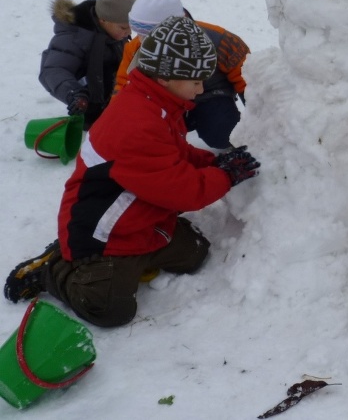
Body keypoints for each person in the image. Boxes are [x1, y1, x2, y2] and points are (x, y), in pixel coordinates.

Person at [5, 16, 261, 327]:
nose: (201, 89)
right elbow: (183, 190)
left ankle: (134, 262)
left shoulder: (157, 103)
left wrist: (212, 164)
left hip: (141, 220)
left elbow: (175, 153)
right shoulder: (135, 123)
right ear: (166, 77)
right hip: (102, 236)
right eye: (195, 81)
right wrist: (227, 176)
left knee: (194, 254)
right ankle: (52, 270)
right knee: (110, 309)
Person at [116, 0, 250, 150]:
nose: (141, 41)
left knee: (223, 133)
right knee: (152, 138)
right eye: (139, 34)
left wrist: (258, 117)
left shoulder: (216, 39)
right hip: (163, 100)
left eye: (148, 35)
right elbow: (124, 86)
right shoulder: (136, 49)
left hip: (208, 96)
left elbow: (247, 77)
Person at [39, 0, 136, 130]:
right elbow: (53, 70)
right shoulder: (74, 37)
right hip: (89, 105)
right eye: (123, 27)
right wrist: (74, 94)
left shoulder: (114, 32)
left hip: (115, 98)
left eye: (131, 26)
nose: (128, 32)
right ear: (103, 20)